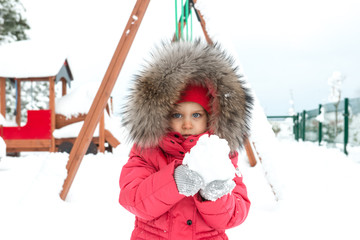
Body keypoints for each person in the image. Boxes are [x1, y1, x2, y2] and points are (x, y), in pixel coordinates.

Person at [119, 40, 253, 239]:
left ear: (211, 116)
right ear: (163, 115)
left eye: (196, 115)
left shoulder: (221, 154)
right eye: (177, 115)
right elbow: (134, 199)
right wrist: (174, 181)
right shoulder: (148, 150)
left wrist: (214, 197)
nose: (187, 124)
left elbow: (236, 213)